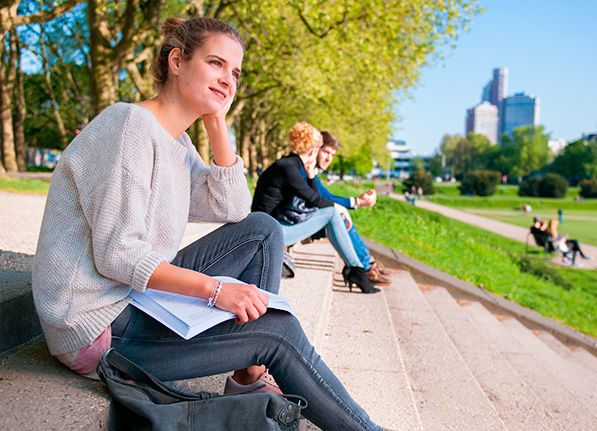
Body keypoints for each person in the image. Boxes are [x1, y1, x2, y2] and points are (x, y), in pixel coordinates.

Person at [31, 17, 382, 430]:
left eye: (234, 73)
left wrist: (217, 121)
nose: (228, 80)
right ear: (177, 61)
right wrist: (217, 291)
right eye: (216, 64)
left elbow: (233, 207)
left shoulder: (176, 141)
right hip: (95, 322)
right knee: (278, 331)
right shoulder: (129, 126)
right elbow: (118, 255)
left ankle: (248, 377)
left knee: (262, 230)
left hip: (130, 298)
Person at [251, 122, 379, 294]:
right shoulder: (288, 168)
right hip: (271, 232)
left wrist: (311, 175)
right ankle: (358, 271)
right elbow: (314, 199)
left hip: (271, 228)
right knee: (333, 213)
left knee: (333, 212)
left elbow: (312, 198)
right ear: (313, 151)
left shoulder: (289, 165)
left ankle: (357, 270)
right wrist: (341, 208)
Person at [309, 131, 393, 285]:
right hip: (293, 222)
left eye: (332, 154)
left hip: (303, 216)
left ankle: (365, 263)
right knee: (339, 217)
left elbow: (325, 196)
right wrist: (356, 202)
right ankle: (363, 267)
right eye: (326, 152)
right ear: (315, 149)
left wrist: (355, 202)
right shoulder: (304, 170)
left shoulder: (310, 172)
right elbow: (322, 198)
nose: (329, 158)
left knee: (341, 214)